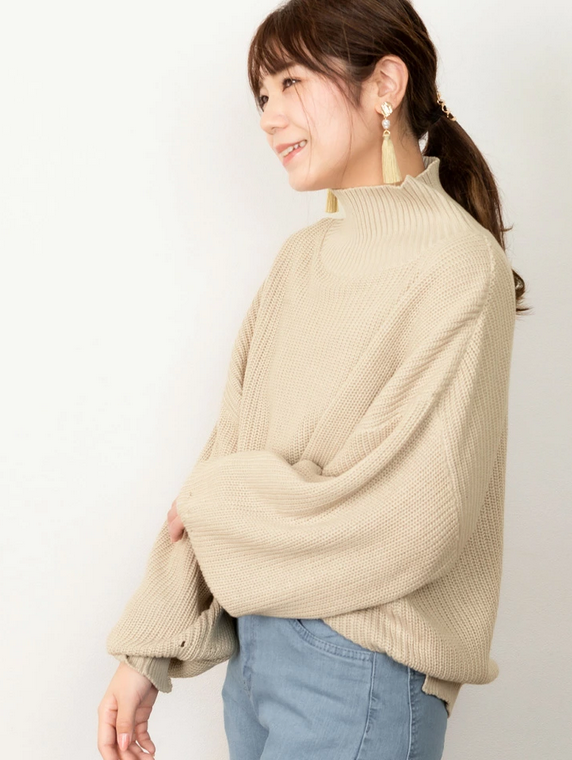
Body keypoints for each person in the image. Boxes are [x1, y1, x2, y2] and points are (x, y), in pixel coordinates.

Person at [97, 1, 529, 758]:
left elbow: (415, 516)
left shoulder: (458, 267)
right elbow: (227, 451)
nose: (270, 117)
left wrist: (216, 502)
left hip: (365, 665)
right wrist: (147, 650)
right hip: (256, 654)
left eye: (292, 82)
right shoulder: (299, 261)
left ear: (384, 83)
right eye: (262, 94)